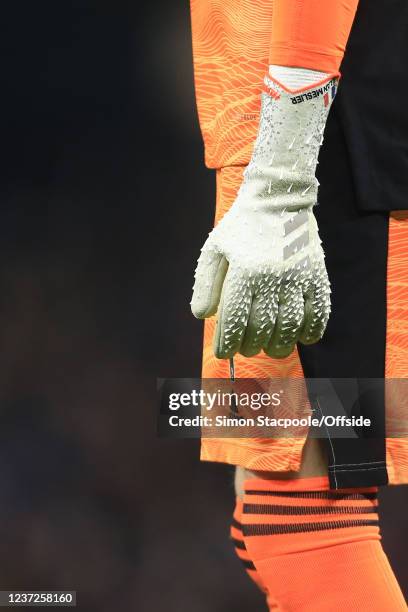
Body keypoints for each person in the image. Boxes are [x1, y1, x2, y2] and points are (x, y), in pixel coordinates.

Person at [189, 0, 408, 609]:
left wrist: (283, 176)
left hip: (318, 146)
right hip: (288, 132)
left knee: (304, 521)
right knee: (263, 516)